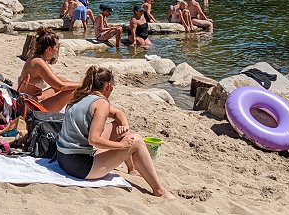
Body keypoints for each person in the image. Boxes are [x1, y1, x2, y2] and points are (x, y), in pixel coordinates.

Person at [56, 65, 175, 199]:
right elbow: (93, 140)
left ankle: (132, 169)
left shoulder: (82, 97)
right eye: (112, 86)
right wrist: (122, 145)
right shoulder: (101, 103)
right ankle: (159, 191)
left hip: (63, 159)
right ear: (108, 86)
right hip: (79, 166)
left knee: (119, 126)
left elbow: (118, 113)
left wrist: (124, 125)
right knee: (136, 141)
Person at [17, 27, 79, 112]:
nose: (57, 50)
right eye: (56, 47)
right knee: (73, 90)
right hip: (30, 107)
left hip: (31, 99)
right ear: (49, 49)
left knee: (62, 80)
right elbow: (62, 86)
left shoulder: (36, 58)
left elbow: (59, 82)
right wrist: (85, 84)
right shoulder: (38, 63)